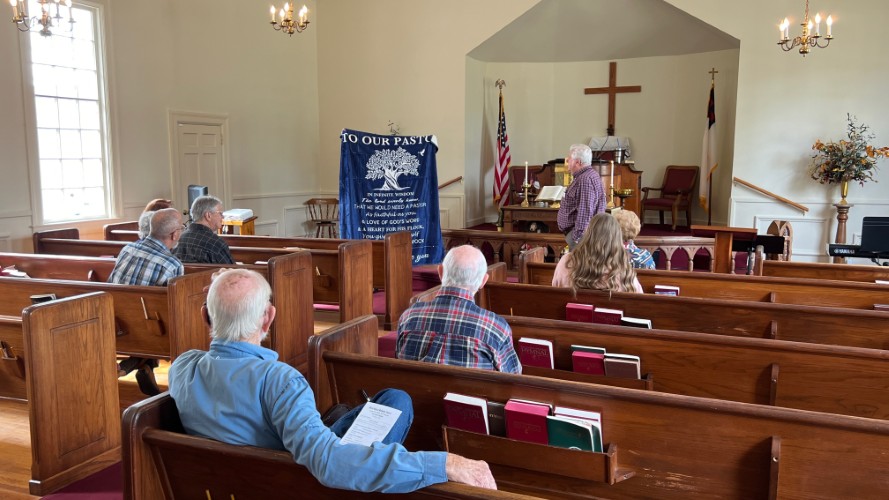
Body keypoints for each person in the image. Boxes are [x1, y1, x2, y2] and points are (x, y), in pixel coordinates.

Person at [168, 268, 497, 493]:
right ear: (268, 317)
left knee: (395, 400)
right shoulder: (279, 380)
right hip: (300, 482)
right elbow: (328, 463)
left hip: (245, 473)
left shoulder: (183, 367)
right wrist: (443, 463)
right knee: (394, 406)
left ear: (205, 315)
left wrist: (221, 295)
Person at [396, 245, 521, 374]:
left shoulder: (409, 316)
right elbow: (513, 376)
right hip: (470, 388)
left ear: (440, 272)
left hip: (413, 387)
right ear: (483, 281)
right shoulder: (495, 327)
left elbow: (399, 362)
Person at [109, 207, 186, 395]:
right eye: (182, 227)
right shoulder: (172, 264)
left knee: (150, 315)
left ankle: (136, 365)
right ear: (174, 234)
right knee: (176, 319)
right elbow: (172, 308)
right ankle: (177, 388)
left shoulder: (127, 249)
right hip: (149, 331)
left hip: (116, 323)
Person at [552, 213, 643, 293]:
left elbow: (555, 291)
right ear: (617, 239)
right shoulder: (624, 270)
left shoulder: (567, 261)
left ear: (588, 235)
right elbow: (638, 300)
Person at [557, 144, 607, 250]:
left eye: (569, 159)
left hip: (580, 239)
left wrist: (576, 238)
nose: (567, 161)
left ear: (578, 162)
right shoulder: (587, 176)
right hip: (582, 236)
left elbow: (585, 211)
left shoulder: (585, 179)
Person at [174, 195, 235, 264]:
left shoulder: (177, 239)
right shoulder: (216, 243)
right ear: (208, 215)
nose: (223, 217)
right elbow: (230, 269)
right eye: (220, 213)